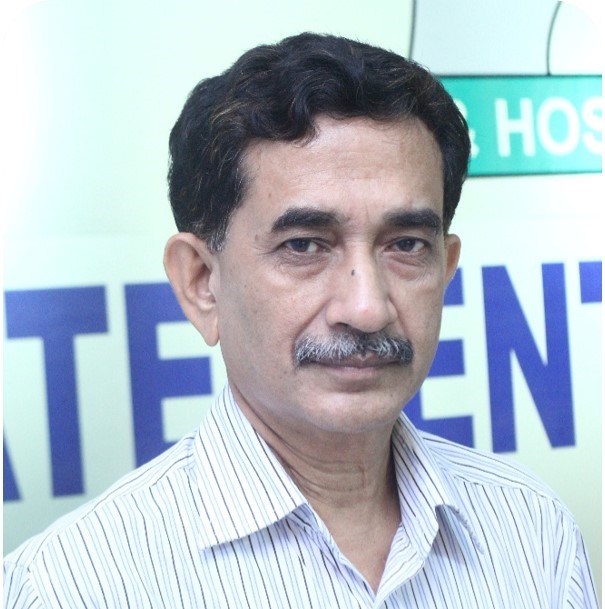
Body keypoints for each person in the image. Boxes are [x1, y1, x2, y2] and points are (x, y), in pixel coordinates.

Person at [4, 32, 598, 608]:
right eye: (305, 245)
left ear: (446, 268)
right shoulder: (72, 587)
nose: (366, 308)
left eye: (406, 245)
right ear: (201, 282)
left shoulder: (531, 533)